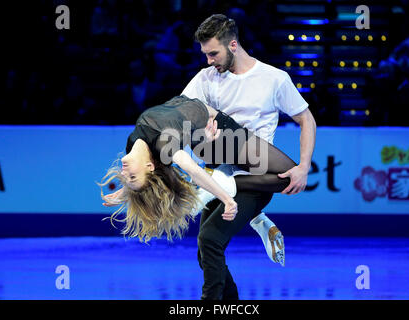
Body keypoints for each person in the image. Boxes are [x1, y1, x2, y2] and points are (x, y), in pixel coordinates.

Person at [181, 14, 317, 300]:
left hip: (255, 177)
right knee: (207, 253)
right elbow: (180, 113)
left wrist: (304, 166)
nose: (208, 61)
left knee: (210, 241)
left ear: (233, 45)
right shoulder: (206, 78)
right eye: (205, 54)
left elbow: (307, 119)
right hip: (219, 167)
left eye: (213, 53)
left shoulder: (274, 79)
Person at [100, 95, 298, 249]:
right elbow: (192, 170)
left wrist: (125, 192)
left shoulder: (132, 145)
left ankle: (228, 182)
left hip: (204, 138)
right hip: (220, 135)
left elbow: (142, 178)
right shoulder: (163, 145)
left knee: (289, 177)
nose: (124, 174)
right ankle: (229, 183)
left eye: (127, 179)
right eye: (132, 177)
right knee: (289, 177)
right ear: (149, 167)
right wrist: (227, 199)